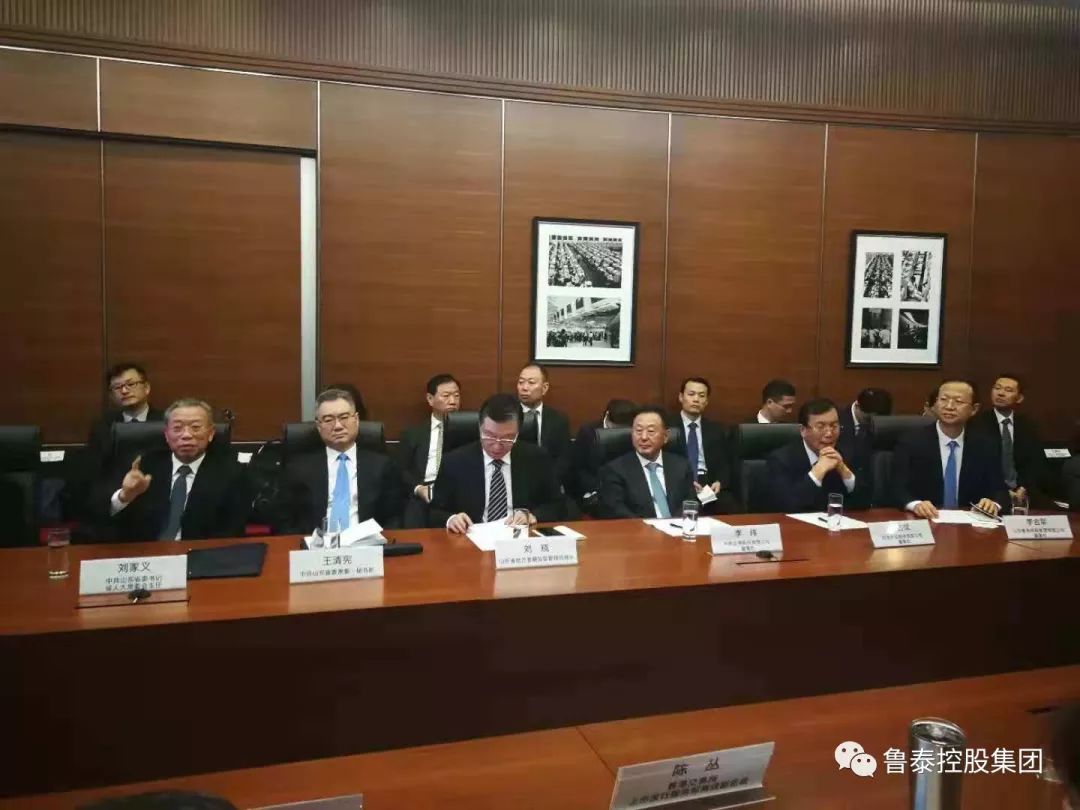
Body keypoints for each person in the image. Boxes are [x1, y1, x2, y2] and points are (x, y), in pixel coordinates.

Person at [90, 398, 248, 542]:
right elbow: (98, 516)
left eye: (195, 427)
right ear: (166, 434)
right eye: (177, 428)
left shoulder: (232, 473)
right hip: (145, 555)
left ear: (211, 433)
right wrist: (124, 497)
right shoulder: (141, 466)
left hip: (198, 555)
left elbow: (231, 531)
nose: (186, 435)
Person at [431, 393, 565, 532]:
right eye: (489, 436)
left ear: (518, 432)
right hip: (471, 537)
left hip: (519, 537)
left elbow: (557, 504)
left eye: (507, 438)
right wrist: (451, 519)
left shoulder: (536, 458)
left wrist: (533, 516)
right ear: (479, 427)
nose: (496, 446)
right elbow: (434, 512)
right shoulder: (454, 461)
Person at [278, 389, 404, 534]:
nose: (337, 426)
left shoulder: (382, 466)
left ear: (356, 420)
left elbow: (394, 517)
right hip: (315, 543)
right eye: (328, 420)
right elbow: (284, 518)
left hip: (367, 542)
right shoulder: (298, 468)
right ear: (319, 426)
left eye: (344, 417)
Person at [891, 380, 1009, 518]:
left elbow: (1000, 490)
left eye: (958, 401)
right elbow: (896, 487)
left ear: (974, 409)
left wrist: (993, 504)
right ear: (935, 404)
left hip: (970, 522)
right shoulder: (911, 441)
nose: (949, 406)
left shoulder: (985, 444)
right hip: (924, 520)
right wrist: (915, 504)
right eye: (943, 399)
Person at [78, 363, 166, 517]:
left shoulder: (166, 422)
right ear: (112, 396)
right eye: (117, 387)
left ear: (146, 388)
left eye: (131, 384)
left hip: (159, 499)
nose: (124, 391)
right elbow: (96, 472)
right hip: (117, 501)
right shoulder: (102, 427)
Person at [767, 398, 869, 513]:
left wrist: (844, 471)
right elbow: (788, 506)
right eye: (820, 427)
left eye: (834, 426)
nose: (829, 433)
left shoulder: (846, 453)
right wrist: (818, 471)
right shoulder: (781, 460)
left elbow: (864, 504)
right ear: (803, 430)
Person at [597, 406, 694, 519]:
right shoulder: (615, 470)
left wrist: (674, 523)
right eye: (638, 431)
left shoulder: (681, 466)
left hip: (677, 526)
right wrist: (647, 527)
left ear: (665, 436)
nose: (643, 437)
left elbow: (691, 501)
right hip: (637, 528)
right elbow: (616, 509)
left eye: (651, 431)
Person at [969, 374, 1046, 506]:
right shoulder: (977, 423)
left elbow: (1035, 461)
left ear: (1019, 398)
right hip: (989, 493)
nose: (1001, 393)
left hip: (1023, 492)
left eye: (1008, 390)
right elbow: (977, 465)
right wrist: (1003, 491)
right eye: (997, 388)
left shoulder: (1027, 425)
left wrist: (1023, 487)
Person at [397, 374, 461, 528]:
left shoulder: (468, 432)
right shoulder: (413, 433)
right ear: (430, 399)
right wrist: (418, 488)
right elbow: (400, 469)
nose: (453, 401)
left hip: (455, 492)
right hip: (423, 491)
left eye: (456, 395)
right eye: (446, 396)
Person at [671, 377, 740, 513]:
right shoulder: (668, 427)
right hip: (680, 481)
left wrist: (720, 481)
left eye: (701, 396)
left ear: (707, 401)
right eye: (691, 394)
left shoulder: (716, 430)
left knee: (732, 507)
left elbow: (724, 463)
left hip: (708, 483)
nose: (696, 399)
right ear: (681, 397)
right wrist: (687, 483)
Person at [568, 397, 638, 511]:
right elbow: (578, 468)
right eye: (615, 427)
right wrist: (598, 488)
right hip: (596, 488)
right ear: (607, 415)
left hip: (626, 486)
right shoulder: (588, 432)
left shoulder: (634, 430)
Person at [516, 364, 572, 483]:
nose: (524, 388)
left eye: (531, 383)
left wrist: (548, 481)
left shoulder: (558, 420)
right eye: (521, 382)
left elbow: (564, 458)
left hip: (548, 481)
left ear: (545, 388)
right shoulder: (507, 415)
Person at [837, 387, 892, 481]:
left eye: (876, 419)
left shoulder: (884, 425)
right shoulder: (837, 419)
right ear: (857, 405)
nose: (871, 423)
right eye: (867, 419)